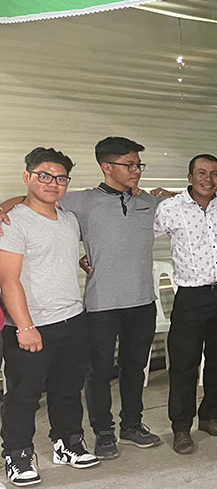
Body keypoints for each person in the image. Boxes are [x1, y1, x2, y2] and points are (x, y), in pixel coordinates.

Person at [0, 137, 168, 460]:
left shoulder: (145, 202)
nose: (136, 171)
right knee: (97, 371)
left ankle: (131, 425)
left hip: (138, 302)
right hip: (98, 306)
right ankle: (102, 432)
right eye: (128, 165)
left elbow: (188, 200)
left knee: (132, 367)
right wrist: (3, 207)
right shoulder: (80, 203)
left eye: (138, 165)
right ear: (107, 167)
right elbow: (34, 202)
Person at [0, 148, 99, 487]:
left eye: (60, 178)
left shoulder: (69, 219)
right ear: (27, 177)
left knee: (68, 389)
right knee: (23, 395)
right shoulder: (13, 222)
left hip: (72, 318)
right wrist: (25, 327)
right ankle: (17, 453)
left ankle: (68, 442)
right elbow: (8, 280)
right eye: (44, 175)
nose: (52, 183)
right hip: (29, 325)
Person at [153, 154, 217, 455]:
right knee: (184, 363)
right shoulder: (170, 209)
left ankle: (210, 416)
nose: (208, 179)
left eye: (214, 173)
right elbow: (141, 238)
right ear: (189, 177)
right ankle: (181, 428)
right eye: (201, 173)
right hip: (191, 297)